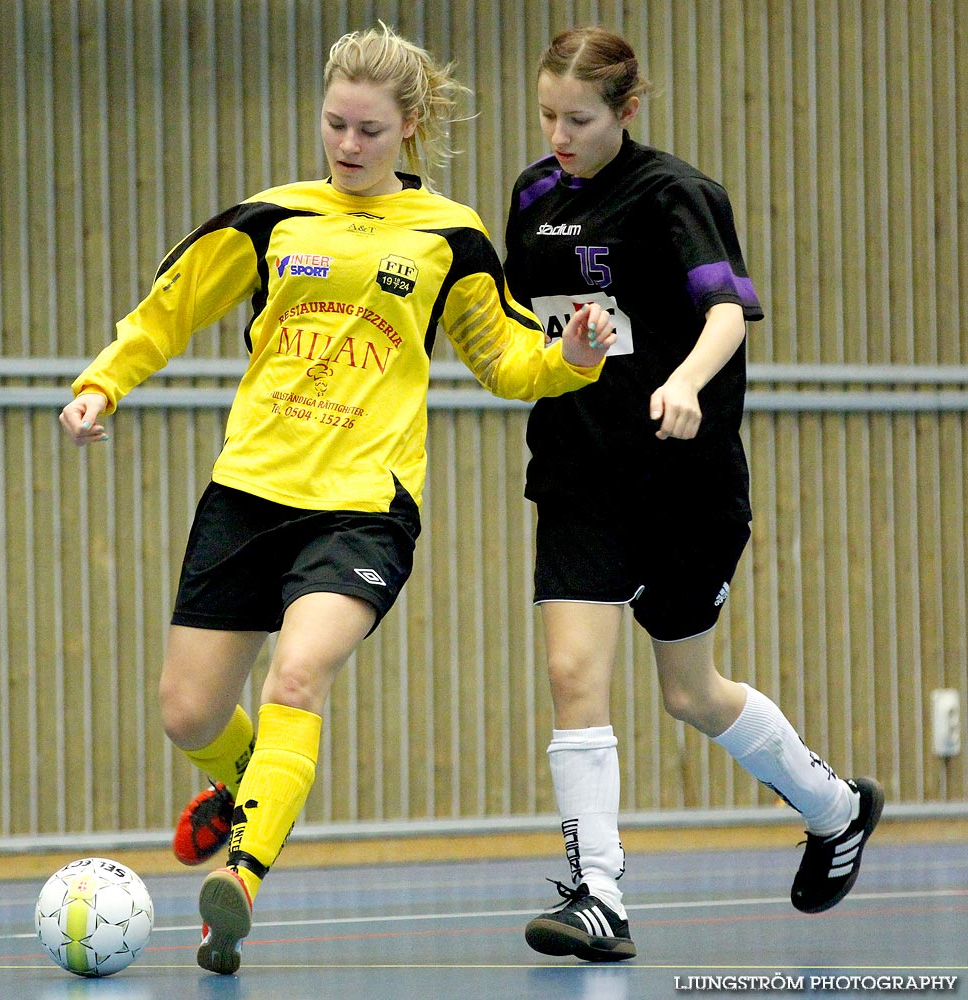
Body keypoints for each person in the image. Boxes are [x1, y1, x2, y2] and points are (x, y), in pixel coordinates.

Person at [59, 23, 617, 976]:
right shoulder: (271, 218)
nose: (348, 147)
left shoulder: (449, 235)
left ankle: (241, 878)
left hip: (363, 503)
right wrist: (102, 382)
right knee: (188, 714)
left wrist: (571, 360)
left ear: (407, 129)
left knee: (296, 678)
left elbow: (506, 357)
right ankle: (248, 790)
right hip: (248, 491)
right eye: (334, 126)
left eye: (367, 131)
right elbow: (170, 308)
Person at [502, 26, 883, 964]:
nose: (560, 133)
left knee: (690, 692)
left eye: (580, 118)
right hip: (579, 473)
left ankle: (837, 809)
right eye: (549, 113)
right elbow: (522, 319)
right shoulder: (533, 195)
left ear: (627, 111)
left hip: (685, 484)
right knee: (571, 675)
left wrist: (685, 382)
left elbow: (726, 312)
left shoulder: (676, 195)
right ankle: (599, 896)